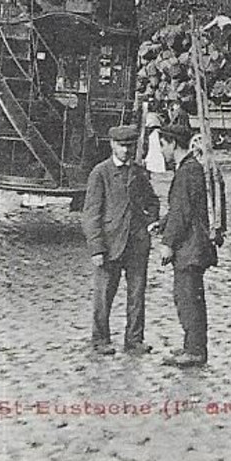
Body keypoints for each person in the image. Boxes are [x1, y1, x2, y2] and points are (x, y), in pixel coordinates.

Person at [82, 125, 161, 356]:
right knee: (104, 295)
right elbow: (91, 214)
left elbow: (152, 202)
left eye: (129, 146)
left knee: (136, 295)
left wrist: (151, 222)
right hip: (110, 244)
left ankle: (134, 339)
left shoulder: (139, 173)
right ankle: (100, 339)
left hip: (136, 244)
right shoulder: (100, 173)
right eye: (121, 146)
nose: (126, 151)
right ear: (112, 145)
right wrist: (96, 247)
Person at [158, 121, 216, 368]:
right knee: (191, 296)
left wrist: (167, 243)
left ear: (172, 144)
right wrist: (161, 223)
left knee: (187, 298)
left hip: (190, 247)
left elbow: (182, 212)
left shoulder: (186, 172)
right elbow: (179, 210)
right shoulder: (191, 168)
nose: (161, 151)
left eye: (162, 145)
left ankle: (194, 350)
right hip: (194, 244)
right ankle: (192, 345)